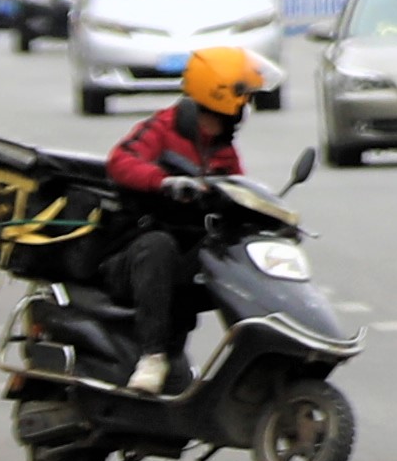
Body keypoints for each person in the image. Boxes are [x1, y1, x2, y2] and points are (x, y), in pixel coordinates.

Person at [88, 44, 265, 370]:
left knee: (232, 255)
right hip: (130, 255)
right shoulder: (162, 127)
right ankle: (152, 357)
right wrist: (164, 181)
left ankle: (255, 359)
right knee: (159, 245)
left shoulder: (223, 149)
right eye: (245, 96)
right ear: (221, 95)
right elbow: (121, 161)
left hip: (183, 255)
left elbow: (237, 191)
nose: (247, 105)